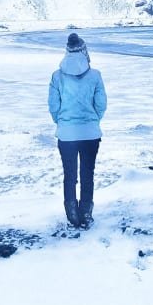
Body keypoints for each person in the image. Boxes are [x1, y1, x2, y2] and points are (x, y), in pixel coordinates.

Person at [48, 33, 107, 229]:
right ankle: (86, 213)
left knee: (70, 175)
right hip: (90, 134)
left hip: (66, 135)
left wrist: (63, 123)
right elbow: (101, 104)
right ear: (84, 50)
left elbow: (53, 106)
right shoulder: (95, 75)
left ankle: (72, 213)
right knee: (87, 173)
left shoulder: (57, 76)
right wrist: (92, 121)